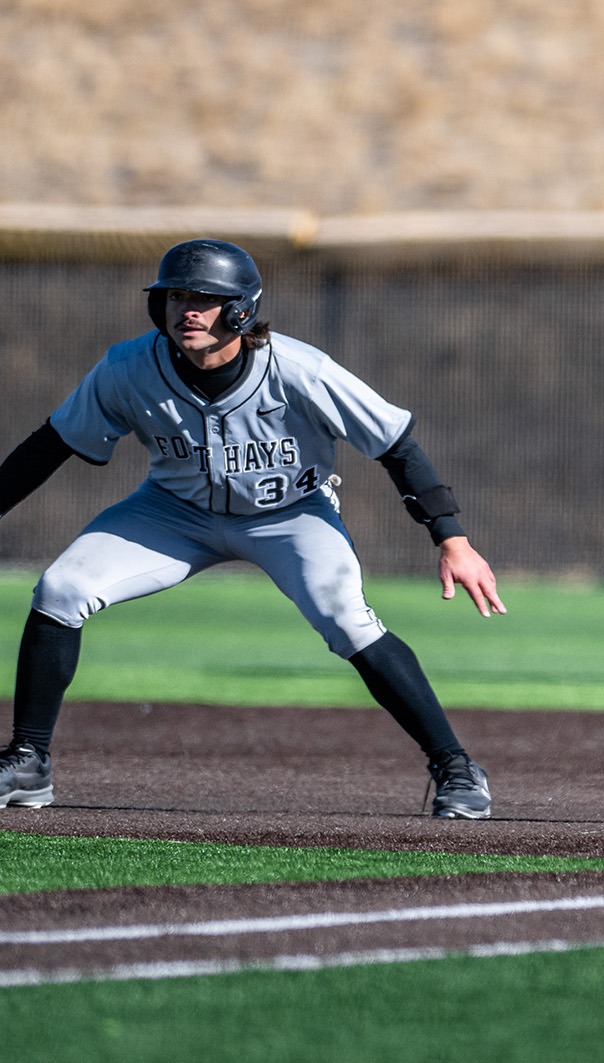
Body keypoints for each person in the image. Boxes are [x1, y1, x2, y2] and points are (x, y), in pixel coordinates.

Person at [0, 238, 504, 818]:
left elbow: (396, 445)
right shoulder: (127, 368)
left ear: (241, 309)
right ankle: (29, 759)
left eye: (207, 299)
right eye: (177, 296)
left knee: (347, 618)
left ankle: (456, 765)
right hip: (173, 513)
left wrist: (452, 538)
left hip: (290, 516)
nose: (188, 309)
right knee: (61, 589)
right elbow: (50, 445)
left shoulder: (300, 368)